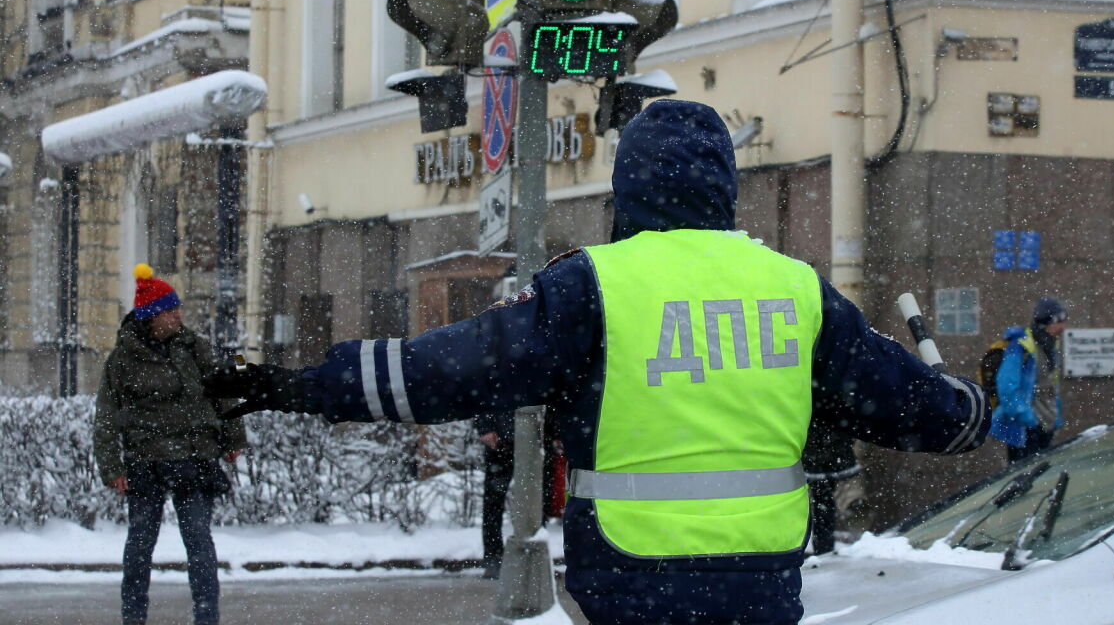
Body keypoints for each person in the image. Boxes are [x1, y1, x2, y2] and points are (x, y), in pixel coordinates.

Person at [204, 99, 989, 625]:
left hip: (630, 578)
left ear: (628, 188)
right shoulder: (796, 290)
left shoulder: (594, 286)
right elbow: (913, 406)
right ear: (724, 186)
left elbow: (450, 368)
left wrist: (300, 385)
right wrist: (969, 412)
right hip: (761, 583)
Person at [94, 264, 246, 625]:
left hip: (195, 460)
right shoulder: (122, 360)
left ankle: (207, 618)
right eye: (170, 310)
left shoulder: (195, 348)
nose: (178, 316)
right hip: (145, 462)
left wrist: (233, 438)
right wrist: (112, 467)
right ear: (150, 316)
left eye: (177, 309)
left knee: (199, 543)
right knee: (140, 546)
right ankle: (134, 618)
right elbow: (106, 416)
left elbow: (226, 389)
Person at [475, 409, 562, 579]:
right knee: (494, 502)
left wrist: (556, 431)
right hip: (504, 439)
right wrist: (485, 427)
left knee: (538, 504)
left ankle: (536, 557)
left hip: (538, 439)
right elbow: (483, 391)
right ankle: (494, 559)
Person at [990, 296, 1067, 463]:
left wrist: (1055, 417)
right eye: (1059, 321)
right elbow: (1007, 387)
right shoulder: (1020, 346)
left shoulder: (1051, 346)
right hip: (1026, 428)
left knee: (1041, 478)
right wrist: (1027, 418)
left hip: (1046, 425)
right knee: (1023, 478)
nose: (1063, 327)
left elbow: (1051, 386)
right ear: (1045, 322)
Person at [801, 417, 859, 556]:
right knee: (825, 499)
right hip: (831, 448)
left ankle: (822, 545)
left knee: (821, 498)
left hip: (816, 450)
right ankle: (824, 545)